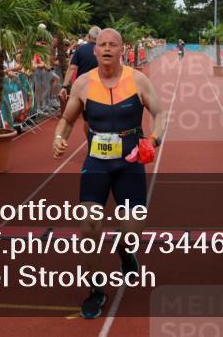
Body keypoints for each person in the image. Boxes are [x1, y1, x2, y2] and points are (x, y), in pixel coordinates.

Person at [52, 28, 168, 319]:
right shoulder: (82, 84)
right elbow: (67, 120)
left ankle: (124, 247)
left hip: (130, 162)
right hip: (97, 163)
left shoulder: (138, 80)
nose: (106, 49)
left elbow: (160, 113)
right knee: (89, 226)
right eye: (101, 44)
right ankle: (96, 289)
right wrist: (58, 137)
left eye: (112, 45)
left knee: (132, 230)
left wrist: (153, 139)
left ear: (121, 50)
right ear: (94, 51)